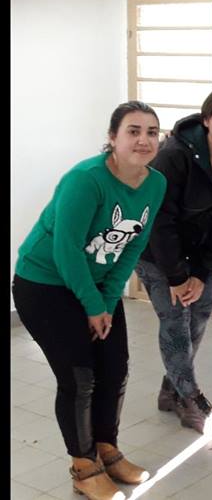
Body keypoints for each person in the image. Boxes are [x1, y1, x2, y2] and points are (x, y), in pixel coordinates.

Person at [12, 101, 166, 498]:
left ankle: (106, 450)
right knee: (79, 376)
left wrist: (108, 300)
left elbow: (132, 247)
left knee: (115, 369)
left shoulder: (155, 184)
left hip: (96, 285)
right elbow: (66, 250)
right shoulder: (86, 180)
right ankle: (83, 466)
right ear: (112, 138)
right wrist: (93, 306)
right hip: (44, 284)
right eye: (133, 131)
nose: (144, 140)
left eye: (151, 132)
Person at [135, 86, 212, 438]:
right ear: (206, 119)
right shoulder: (175, 154)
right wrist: (176, 276)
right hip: (157, 251)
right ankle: (191, 400)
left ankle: (171, 389)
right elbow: (160, 219)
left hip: (198, 250)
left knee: (200, 314)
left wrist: (201, 272)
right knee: (176, 320)